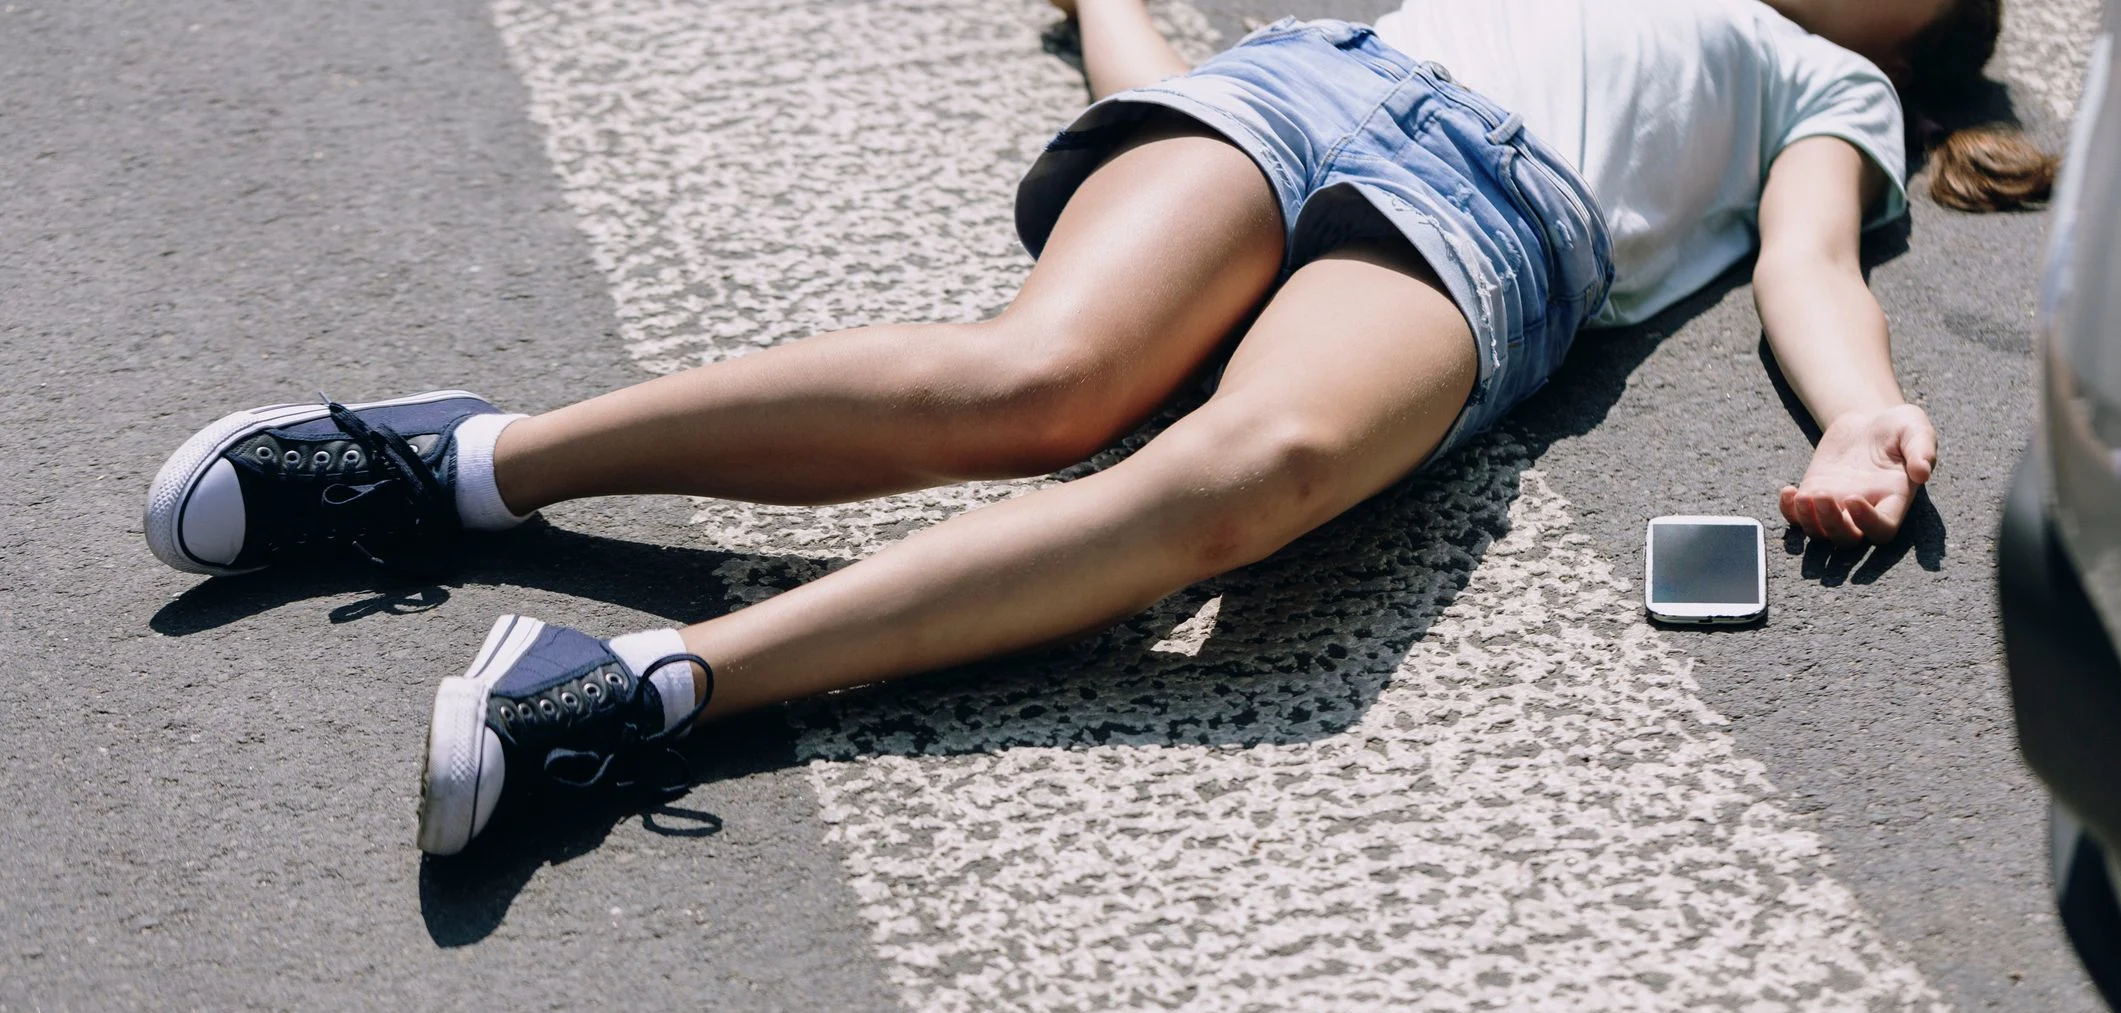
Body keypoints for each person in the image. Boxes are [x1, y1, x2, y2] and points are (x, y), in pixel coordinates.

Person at [141, 0, 2054, 855]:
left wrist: (1871, 410)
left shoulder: (1831, 87)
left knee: (1239, 493)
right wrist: (1111, 18)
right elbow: (1224, 79)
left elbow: (1813, 267)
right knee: (1041, 377)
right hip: (1315, 93)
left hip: (1502, 228)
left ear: (1927, 33)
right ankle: (455, 465)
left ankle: (648, 686)